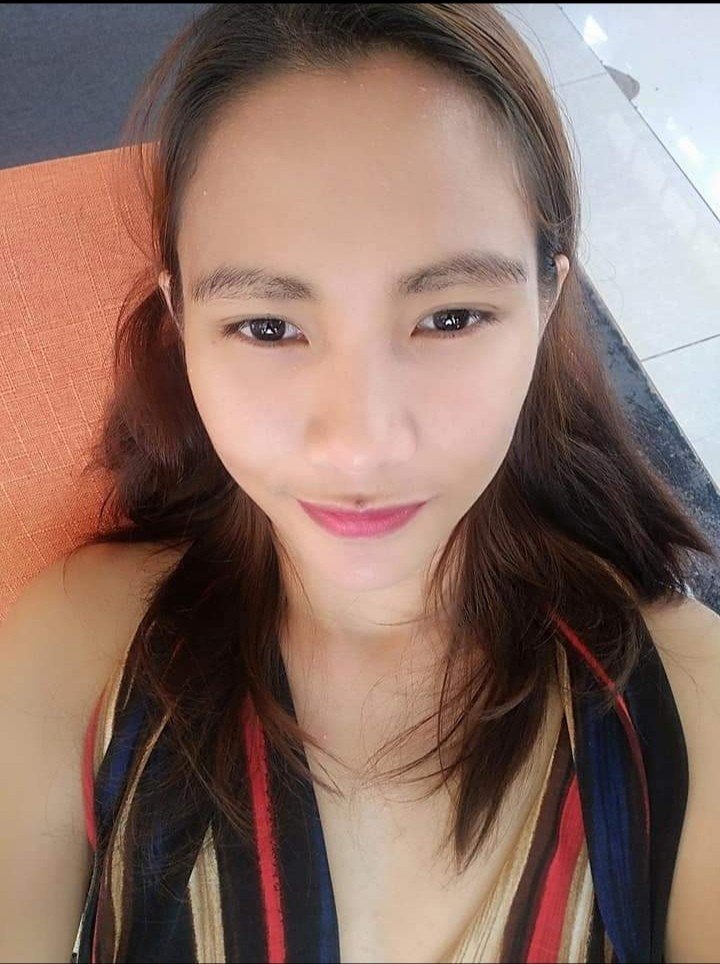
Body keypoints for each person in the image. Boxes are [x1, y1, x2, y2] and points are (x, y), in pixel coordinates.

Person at [1, 4, 719, 963]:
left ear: (547, 299)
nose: (361, 447)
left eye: (451, 317)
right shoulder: (82, 651)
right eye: (268, 327)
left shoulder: (693, 707)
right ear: (183, 323)